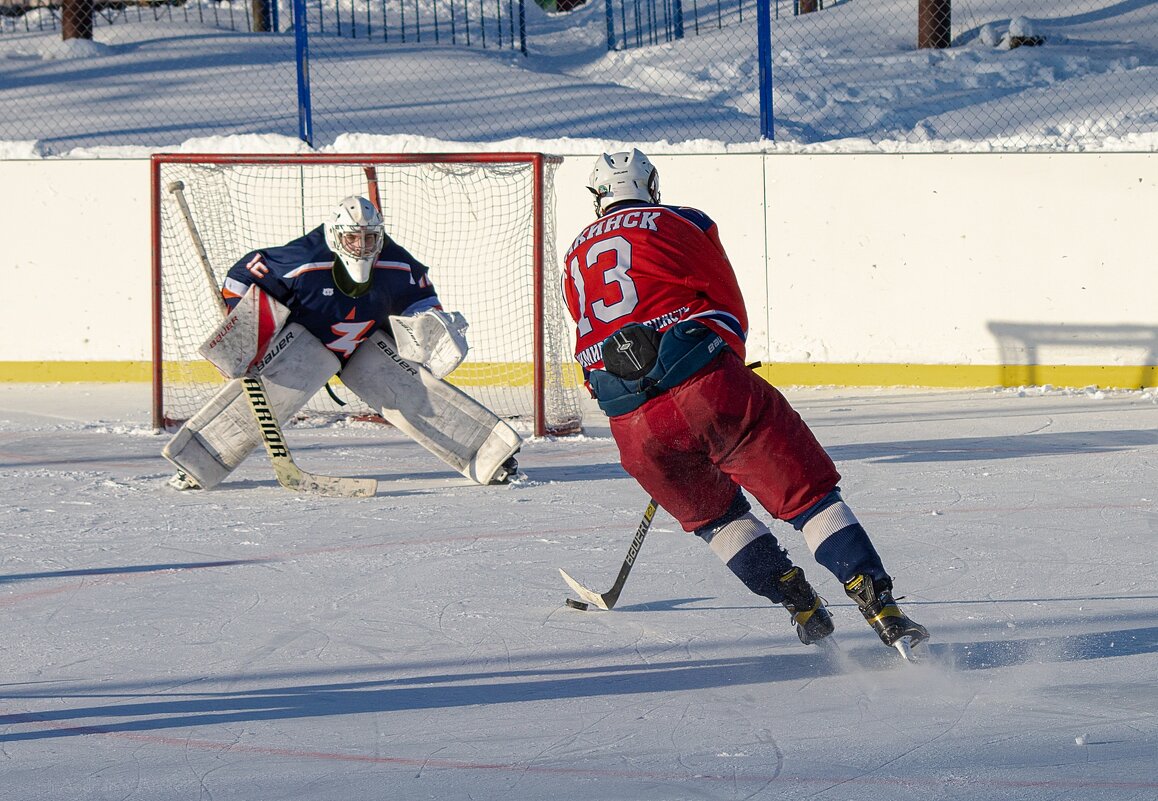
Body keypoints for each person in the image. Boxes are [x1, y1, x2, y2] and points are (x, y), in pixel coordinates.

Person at [559, 150, 928, 651]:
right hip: (707, 388)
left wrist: (644, 407)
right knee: (809, 498)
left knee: (718, 520)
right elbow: (723, 301)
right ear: (650, 185)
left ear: (597, 196)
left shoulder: (574, 256)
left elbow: (589, 350)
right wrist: (721, 361)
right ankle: (880, 606)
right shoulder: (681, 220)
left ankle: (797, 601)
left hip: (632, 422)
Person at [163, 195, 521, 491]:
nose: (362, 246)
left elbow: (423, 300)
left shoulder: (397, 264)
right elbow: (243, 275)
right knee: (265, 402)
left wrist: (432, 324)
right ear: (336, 236)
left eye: (369, 239)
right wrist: (239, 320)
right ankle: (194, 463)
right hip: (305, 345)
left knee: (416, 392)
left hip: (365, 346)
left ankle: (491, 456)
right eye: (353, 238)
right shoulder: (303, 258)